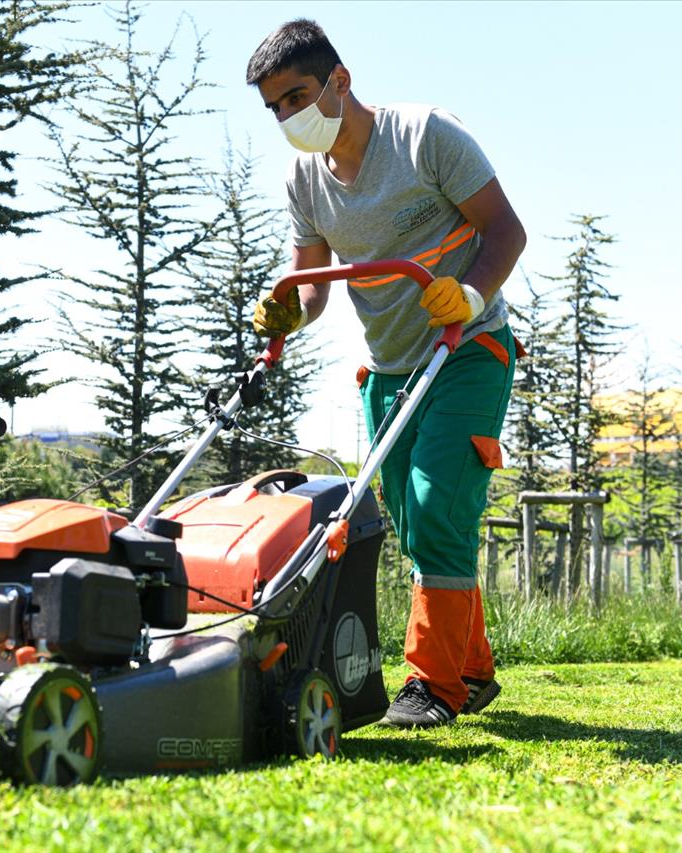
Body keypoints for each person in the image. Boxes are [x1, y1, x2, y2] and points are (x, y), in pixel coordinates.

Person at [246, 19, 526, 728]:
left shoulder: (426, 137)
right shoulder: (304, 180)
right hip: (389, 369)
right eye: (275, 106)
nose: (288, 116)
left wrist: (468, 294)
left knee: (437, 508)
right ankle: (472, 668)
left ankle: (430, 685)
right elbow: (313, 287)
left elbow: (506, 231)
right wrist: (288, 314)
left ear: (340, 80)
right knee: (418, 522)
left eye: (297, 95)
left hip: (466, 349)